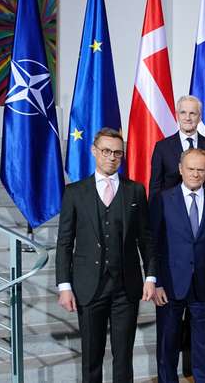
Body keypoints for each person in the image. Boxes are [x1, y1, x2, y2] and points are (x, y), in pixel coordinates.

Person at [55, 128, 156, 383]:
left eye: (117, 153)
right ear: (94, 151)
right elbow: (65, 242)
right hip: (89, 287)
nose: (111, 157)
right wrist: (64, 285)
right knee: (92, 357)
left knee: (123, 357)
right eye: (106, 151)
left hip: (126, 286)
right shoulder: (75, 192)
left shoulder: (135, 190)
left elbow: (145, 238)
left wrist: (151, 276)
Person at [152, 148, 205, 383]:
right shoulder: (163, 199)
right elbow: (155, 244)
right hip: (170, 285)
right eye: (191, 169)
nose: (195, 174)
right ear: (180, 169)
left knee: (204, 346)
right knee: (167, 344)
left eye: (200, 170)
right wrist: (157, 283)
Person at [149, 95, 205, 199]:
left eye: (192, 113)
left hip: (204, 210)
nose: (188, 118)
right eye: (183, 113)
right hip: (171, 210)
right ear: (177, 115)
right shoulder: (162, 147)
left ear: (200, 117)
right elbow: (155, 187)